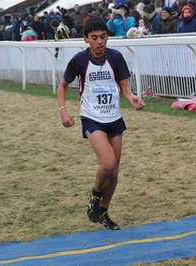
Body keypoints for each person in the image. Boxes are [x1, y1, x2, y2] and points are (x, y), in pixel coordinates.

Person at [57, 16, 146, 230]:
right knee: (108, 164)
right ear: (86, 39)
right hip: (92, 118)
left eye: (103, 37)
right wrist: (63, 111)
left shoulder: (116, 57)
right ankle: (95, 196)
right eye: (94, 38)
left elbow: (124, 88)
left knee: (114, 172)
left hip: (114, 119)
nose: (100, 42)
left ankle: (103, 211)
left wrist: (132, 97)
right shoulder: (79, 60)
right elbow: (62, 87)